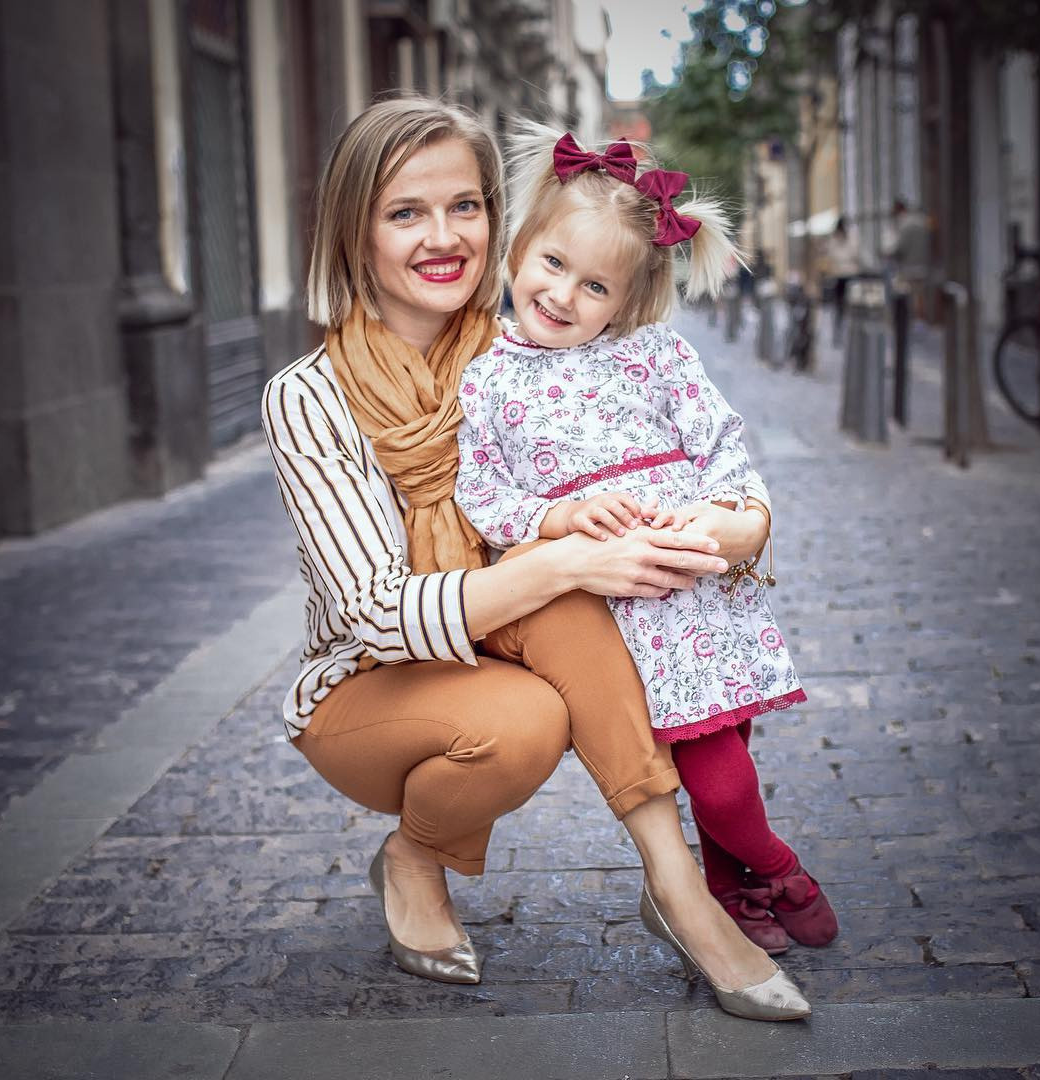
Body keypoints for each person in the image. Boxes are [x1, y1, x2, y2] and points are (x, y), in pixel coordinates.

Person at [262, 96, 810, 1021]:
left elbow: (677, 447)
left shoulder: (534, 341)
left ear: (498, 219)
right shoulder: (309, 398)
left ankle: (674, 887)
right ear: (356, 229)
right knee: (530, 687)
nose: (444, 237)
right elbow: (372, 610)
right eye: (406, 212)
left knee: (560, 593)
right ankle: (414, 856)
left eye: (465, 206)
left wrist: (741, 522)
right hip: (371, 682)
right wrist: (565, 558)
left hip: (522, 642)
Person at [455, 124, 838, 968]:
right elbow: (479, 493)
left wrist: (718, 513)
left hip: (695, 591)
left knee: (727, 758)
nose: (562, 295)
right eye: (552, 265)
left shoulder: (653, 354)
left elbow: (721, 443)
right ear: (520, 249)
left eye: (594, 286)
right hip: (614, 611)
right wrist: (552, 520)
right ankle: (770, 871)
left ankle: (749, 881)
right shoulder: (486, 378)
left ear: (623, 302)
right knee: (704, 771)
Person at [825, 216, 858, 343]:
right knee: (839, 305)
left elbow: (855, 254)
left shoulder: (852, 238)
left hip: (850, 276)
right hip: (839, 276)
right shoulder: (834, 240)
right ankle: (838, 333)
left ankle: (849, 333)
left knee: (849, 305)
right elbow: (832, 255)